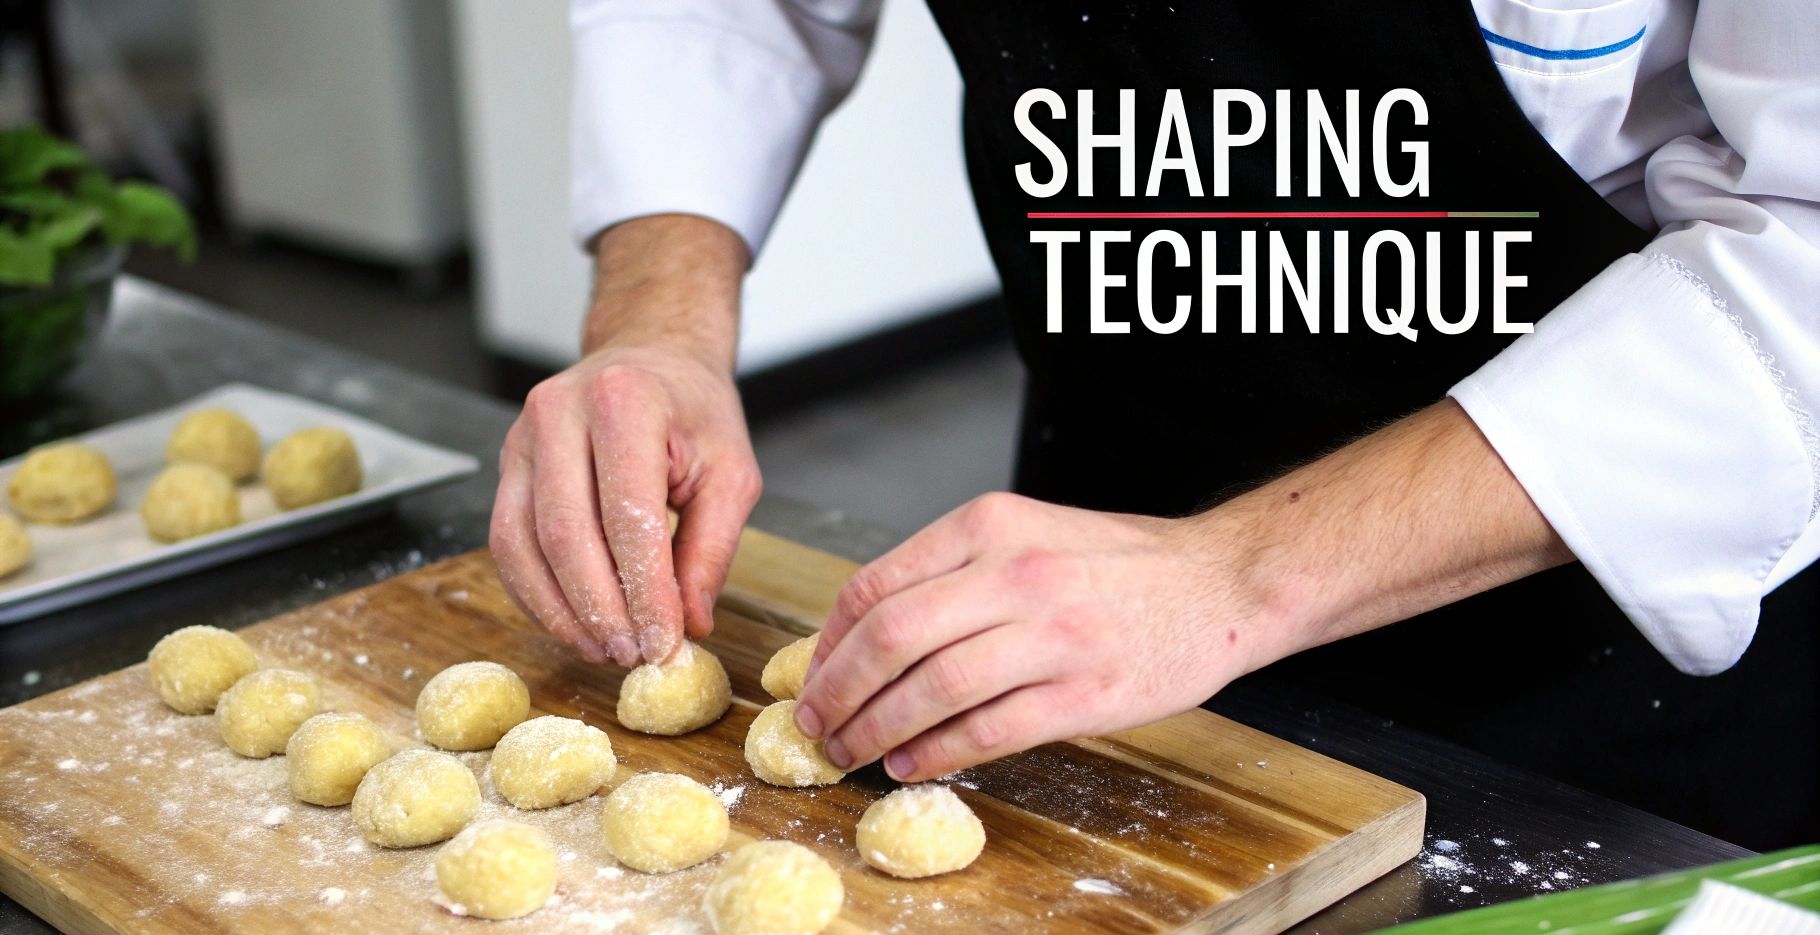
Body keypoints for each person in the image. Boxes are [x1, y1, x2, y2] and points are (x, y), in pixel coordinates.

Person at [492, 0, 1820, 849]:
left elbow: (1803, 256)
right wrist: (657, 317)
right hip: (1088, 585)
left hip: (1603, 661)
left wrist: (1233, 573)